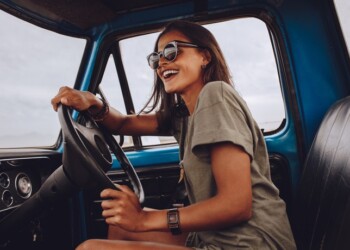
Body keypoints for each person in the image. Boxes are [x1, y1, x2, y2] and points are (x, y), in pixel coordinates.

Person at [51, 20, 296, 250]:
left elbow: (236, 205)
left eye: (171, 51)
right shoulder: (184, 116)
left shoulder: (216, 95)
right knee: (119, 225)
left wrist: (145, 219)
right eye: (156, 58)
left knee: (89, 249)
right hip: (213, 235)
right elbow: (124, 123)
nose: (162, 63)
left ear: (205, 56)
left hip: (251, 243)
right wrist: (93, 101)